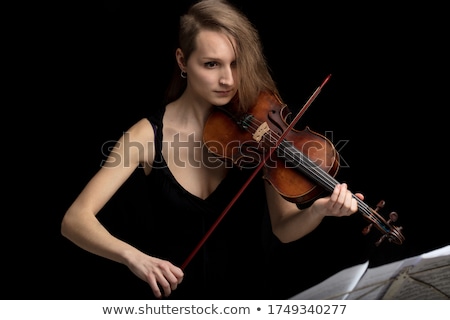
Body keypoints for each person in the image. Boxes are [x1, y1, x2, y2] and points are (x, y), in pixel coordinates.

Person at [61, 0, 363, 299]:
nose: (228, 80)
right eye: (211, 64)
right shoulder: (146, 134)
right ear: (182, 61)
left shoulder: (261, 125)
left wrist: (318, 211)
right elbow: (75, 219)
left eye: (235, 64)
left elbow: (283, 227)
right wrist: (134, 257)